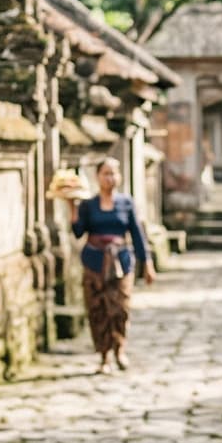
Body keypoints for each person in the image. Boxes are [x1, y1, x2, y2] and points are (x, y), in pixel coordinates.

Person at [70, 158, 153, 372]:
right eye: (106, 173)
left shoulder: (126, 203)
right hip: (94, 261)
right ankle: (104, 356)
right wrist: (72, 208)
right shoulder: (88, 205)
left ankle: (120, 350)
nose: (110, 178)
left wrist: (148, 263)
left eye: (114, 173)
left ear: (120, 176)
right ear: (97, 177)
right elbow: (79, 231)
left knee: (120, 308)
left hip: (121, 262)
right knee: (97, 309)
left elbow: (136, 234)